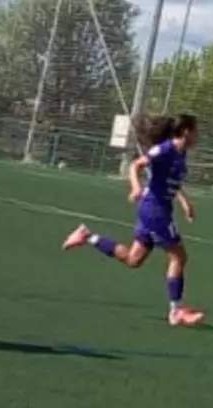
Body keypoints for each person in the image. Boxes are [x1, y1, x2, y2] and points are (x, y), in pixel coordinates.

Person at [61, 114, 205, 327]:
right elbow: (135, 165)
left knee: (133, 259)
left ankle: (87, 236)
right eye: (196, 130)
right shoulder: (164, 150)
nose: (198, 135)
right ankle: (176, 311)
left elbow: (172, 181)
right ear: (186, 131)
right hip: (155, 211)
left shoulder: (180, 152)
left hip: (157, 209)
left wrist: (185, 203)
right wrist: (136, 188)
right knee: (179, 257)